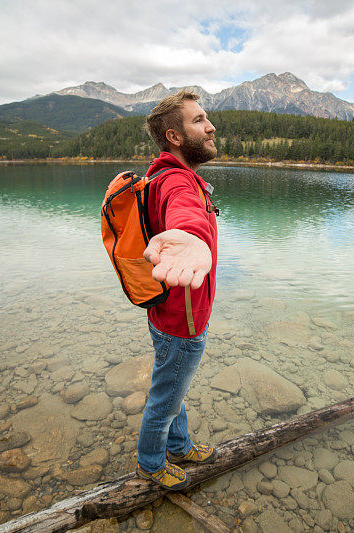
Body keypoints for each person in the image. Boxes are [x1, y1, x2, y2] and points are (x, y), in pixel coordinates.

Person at [135, 90, 219, 490]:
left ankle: (179, 446)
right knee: (165, 396)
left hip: (165, 312)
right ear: (174, 136)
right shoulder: (178, 184)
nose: (210, 125)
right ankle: (151, 465)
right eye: (199, 119)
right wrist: (192, 238)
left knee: (173, 387)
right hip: (181, 320)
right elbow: (185, 216)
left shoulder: (163, 175)